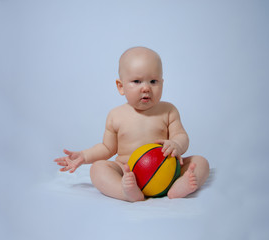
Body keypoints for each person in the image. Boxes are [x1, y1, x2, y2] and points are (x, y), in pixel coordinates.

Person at [54, 47, 209, 202]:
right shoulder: (116, 115)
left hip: (166, 171)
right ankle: (125, 191)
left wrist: (176, 144)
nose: (146, 88)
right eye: (137, 81)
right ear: (121, 86)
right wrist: (84, 156)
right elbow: (107, 148)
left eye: (153, 81)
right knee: (97, 168)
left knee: (200, 162)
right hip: (128, 171)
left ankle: (180, 186)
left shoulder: (168, 110)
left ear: (162, 83)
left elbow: (181, 135)